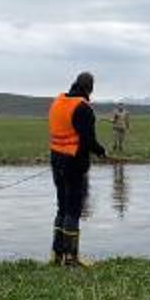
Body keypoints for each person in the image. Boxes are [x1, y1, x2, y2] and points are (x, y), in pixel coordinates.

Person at [49, 72, 107, 267]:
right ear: (89, 88)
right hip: (74, 163)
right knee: (73, 210)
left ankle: (57, 255)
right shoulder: (83, 108)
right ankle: (71, 258)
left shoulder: (57, 102)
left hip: (56, 160)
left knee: (62, 206)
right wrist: (101, 152)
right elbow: (88, 140)